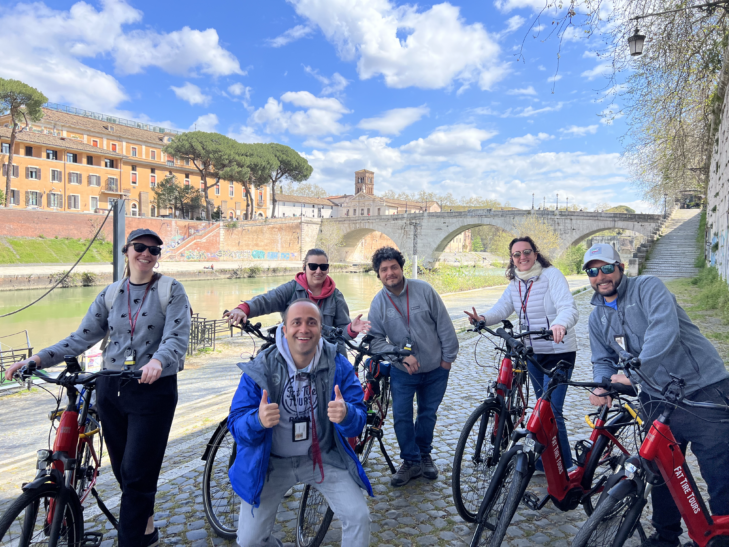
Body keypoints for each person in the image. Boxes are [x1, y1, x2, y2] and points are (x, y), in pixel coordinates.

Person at [5, 228, 191, 547]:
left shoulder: (171, 290)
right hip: (110, 387)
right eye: (140, 247)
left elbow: (177, 337)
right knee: (123, 470)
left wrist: (158, 361)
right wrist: (36, 359)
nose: (146, 254)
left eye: (154, 250)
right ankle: (146, 531)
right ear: (127, 251)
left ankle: (131, 540)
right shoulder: (110, 294)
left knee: (136, 473)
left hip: (152, 389)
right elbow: (81, 337)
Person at [584, 243, 729, 547]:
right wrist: (603, 384)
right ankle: (666, 537)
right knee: (663, 470)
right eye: (593, 271)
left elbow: (663, 331)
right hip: (654, 396)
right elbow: (602, 359)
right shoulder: (597, 318)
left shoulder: (648, 287)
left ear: (620, 267)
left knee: (719, 470)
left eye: (607, 268)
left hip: (700, 387)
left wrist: (633, 375)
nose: (601, 276)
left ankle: (723, 537)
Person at [228, 299, 372, 547]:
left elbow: (358, 422)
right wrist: (257, 420)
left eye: (311, 322)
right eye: (296, 322)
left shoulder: (338, 366)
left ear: (321, 328)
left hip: (323, 457)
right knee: (250, 541)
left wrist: (347, 414)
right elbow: (236, 424)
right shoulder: (261, 368)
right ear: (284, 329)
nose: (303, 329)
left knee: (359, 517)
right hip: (271, 463)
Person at [465, 236, 579, 471]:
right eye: (517, 254)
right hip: (533, 353)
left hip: (559, 352)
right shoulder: (515, 283)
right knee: (540, 408)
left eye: (526, 252)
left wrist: (560, 324)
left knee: (552, 411)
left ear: (535, 254)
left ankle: (566, 468)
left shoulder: (552, 276)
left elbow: (568, 306)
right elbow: (502, 308)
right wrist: (483, 318)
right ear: (512, 259)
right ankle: (544, 463)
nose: (522, 257)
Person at [367, 247, 459, 487]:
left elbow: (445, 326)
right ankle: (411, 461)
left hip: (435, 369)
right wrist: (399, 359)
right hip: (403, 372)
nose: (390, 273)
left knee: (427, 415)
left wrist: (447, 360)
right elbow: (375, 341)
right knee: (402, 417)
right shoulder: (378, 303)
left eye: (393, 267)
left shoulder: (425, 290)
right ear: (378, 274)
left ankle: (424, 454)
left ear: (401, 267)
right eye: (384, 270)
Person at [224, 248, 370, 352]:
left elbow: (341, 333)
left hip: (328, 355)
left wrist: (351, 329)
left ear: (328, 269)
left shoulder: (336, 296)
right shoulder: (291, 289)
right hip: (295, 354)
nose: (318, 271)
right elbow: (266, 301)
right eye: (313, 266)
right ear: (304, 267)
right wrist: (242, 309)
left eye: (323, 267)